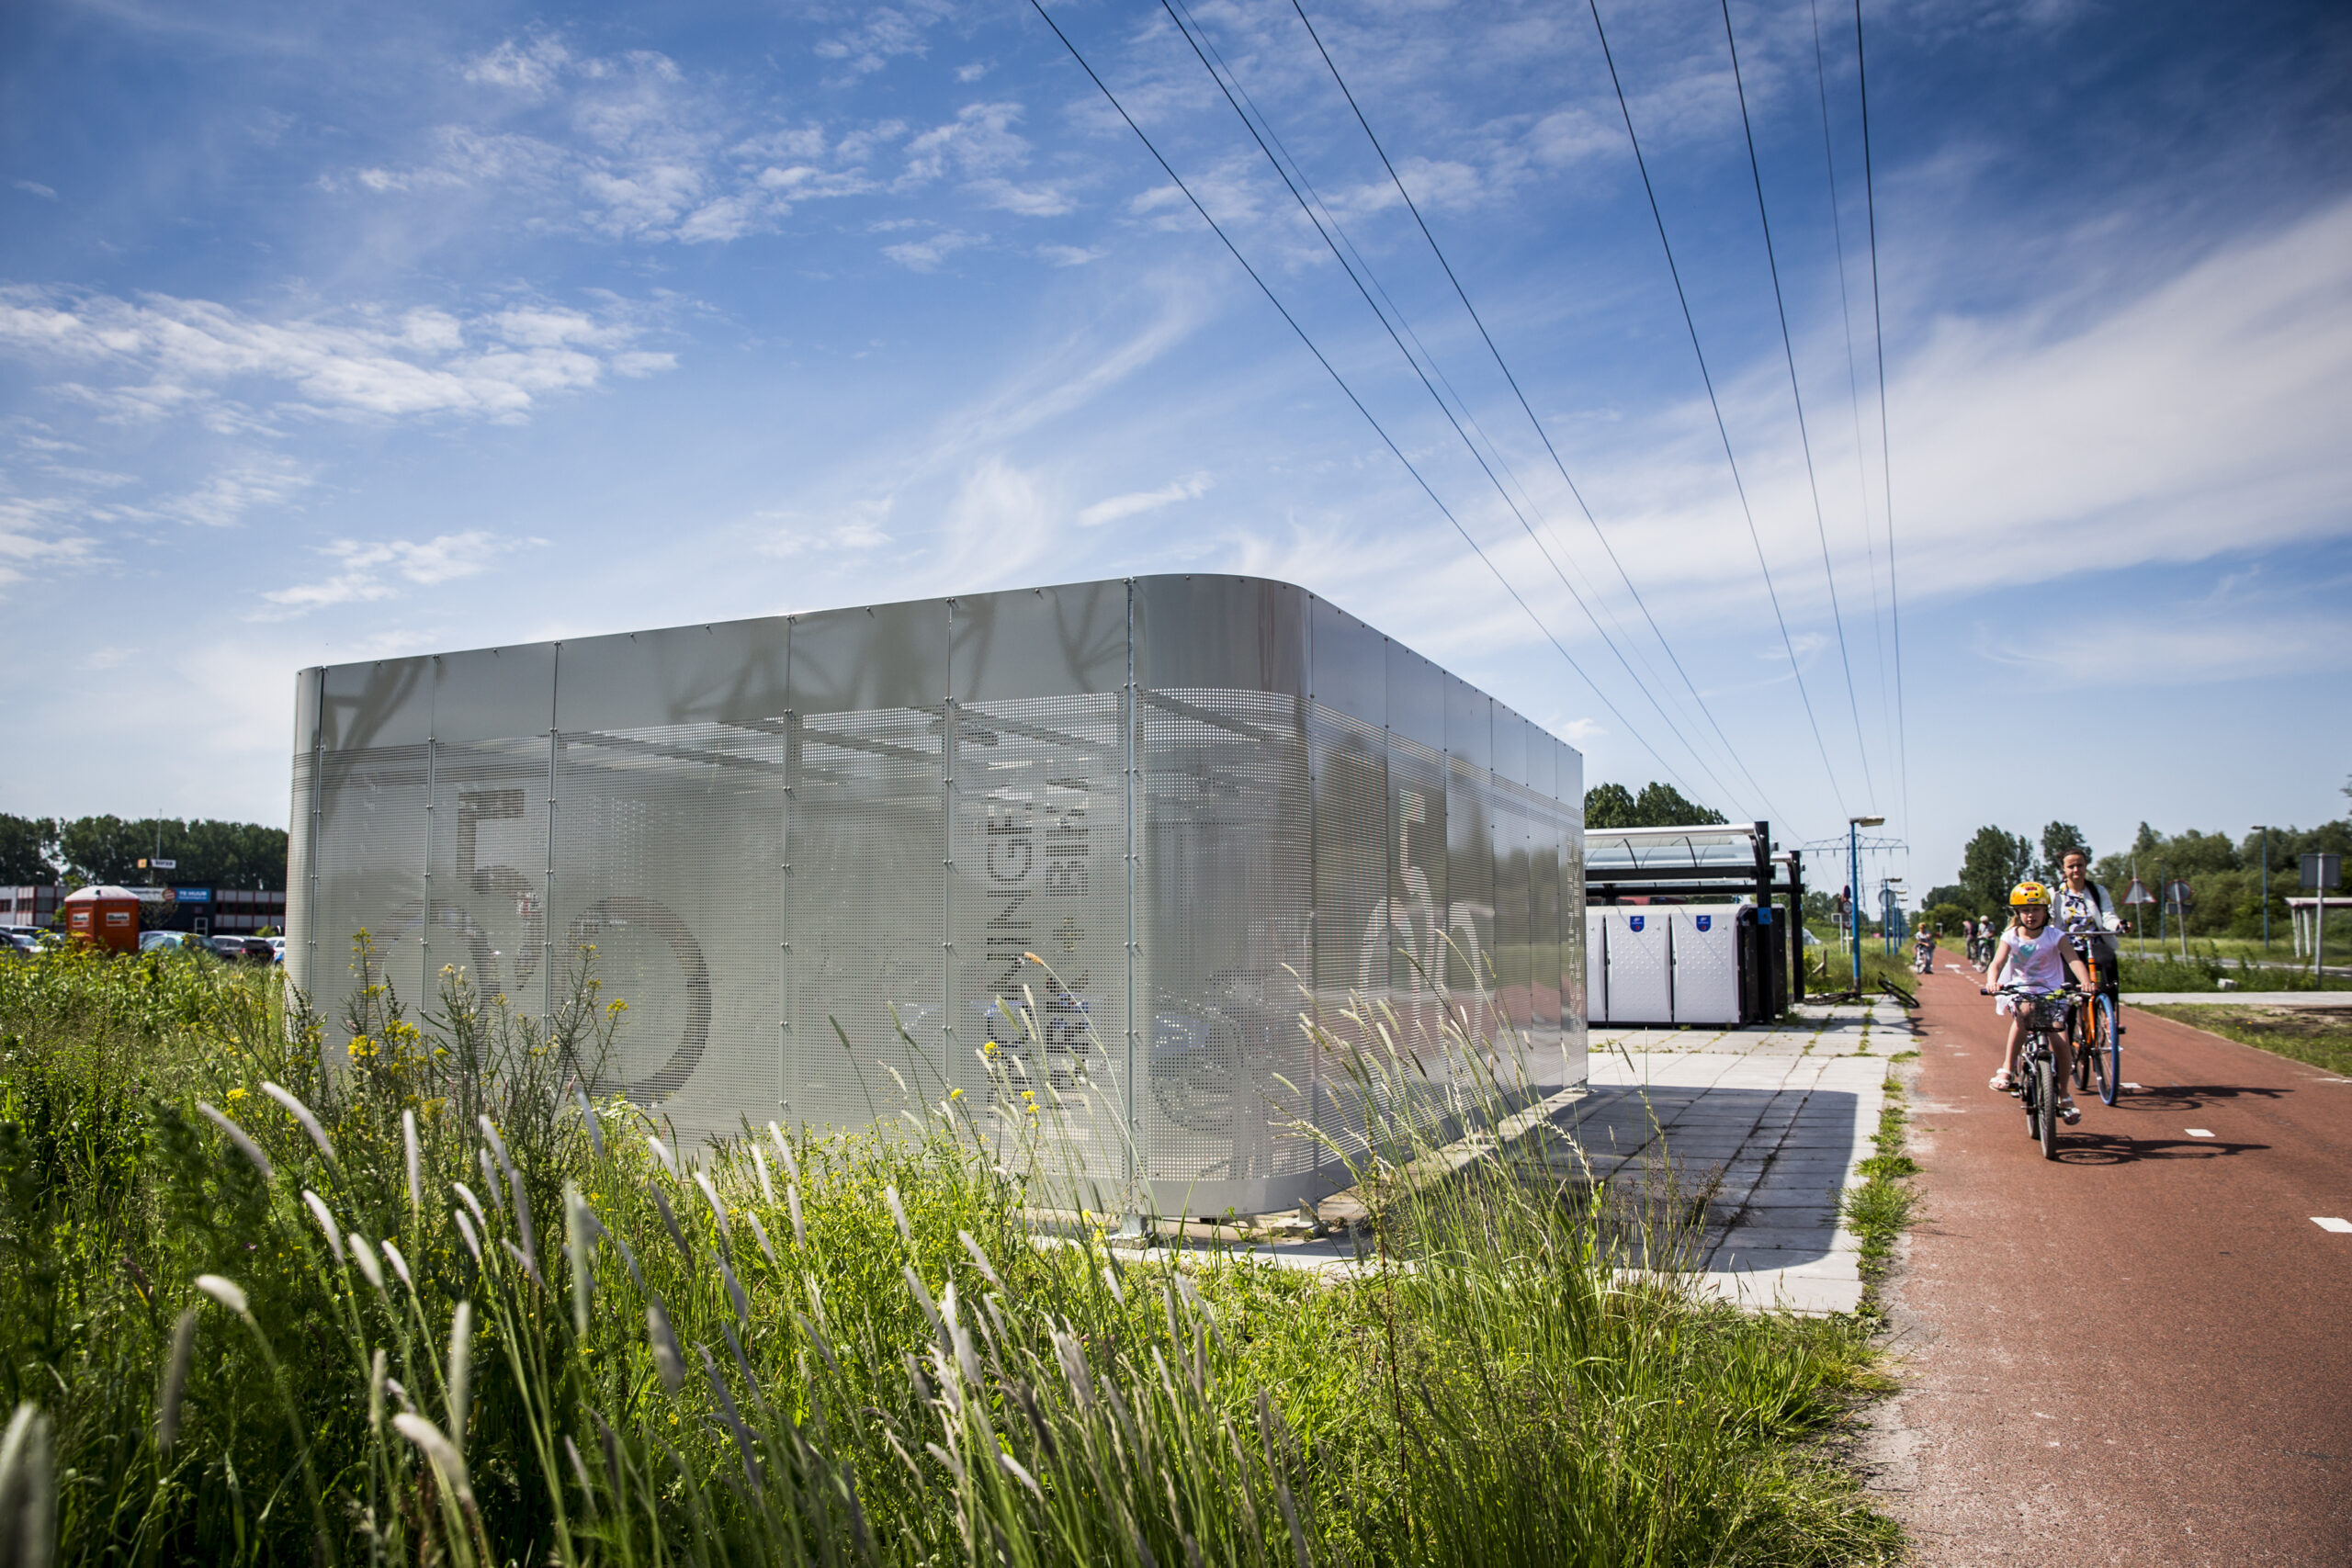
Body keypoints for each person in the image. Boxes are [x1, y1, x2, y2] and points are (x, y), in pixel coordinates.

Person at [1985, 880, 2096, 1122]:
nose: (2031, 914)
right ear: (2017, 913)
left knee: (2061, 1040)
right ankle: (2007, 1068)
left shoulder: (2055, 936)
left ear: (2046, 911)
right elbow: (1997, 962)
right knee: (2024, 1015)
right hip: (2022, 991)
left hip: (2051, 993)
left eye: (2036, 909)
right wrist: (1993, 981)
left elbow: (2073, 960)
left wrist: (2085, 981)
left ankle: (2064, 1094)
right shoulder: (2011, 936)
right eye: (2025, 910)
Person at [2052, 849, 2128, 997]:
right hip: (2066, 947)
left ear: (2086, 866)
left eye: (2080, 865)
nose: (2076, 870)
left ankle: (2108, 1011)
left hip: (2094, 944)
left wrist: (2119, 925)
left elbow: (2108, 916)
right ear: (2063, 868)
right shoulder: (2054, 894)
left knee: (2108, 960)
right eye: (2071, 866)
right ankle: (2070, 1016)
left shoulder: (2097, 891)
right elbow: (2049, 917)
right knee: (2069, 992)